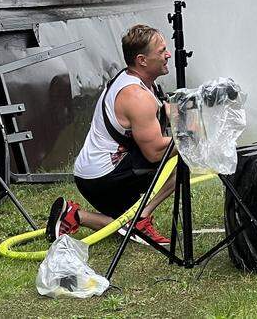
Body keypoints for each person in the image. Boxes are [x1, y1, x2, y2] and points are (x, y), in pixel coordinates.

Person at [46, 24, 177, 244]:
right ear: (142, 60)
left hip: (94, 173)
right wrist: (193, 135)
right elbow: (155, 153)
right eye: (161, 51)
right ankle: (141, 217)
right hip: (103, 178)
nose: (168, 54)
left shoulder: (137, 81)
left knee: (123, 227)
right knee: (182, 159)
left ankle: (74, 215)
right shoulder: (136, 96)